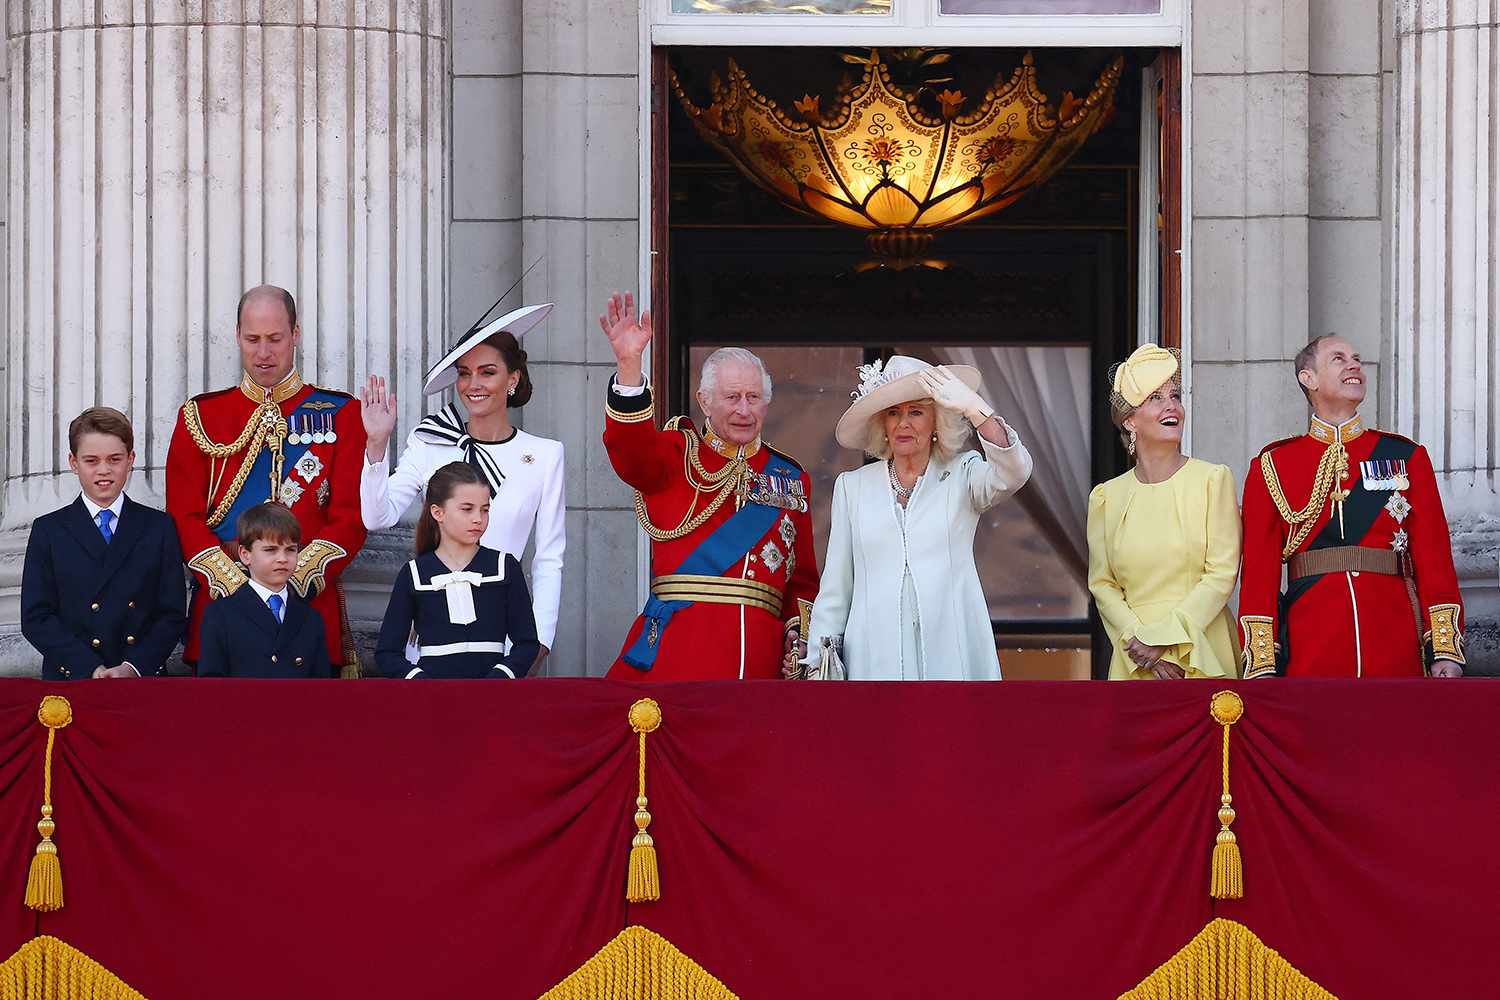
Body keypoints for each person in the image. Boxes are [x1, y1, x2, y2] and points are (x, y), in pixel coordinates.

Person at [598, 291, 819, 681]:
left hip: (760, 662)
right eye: (732, 397)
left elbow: (801, 579)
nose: (744, 410)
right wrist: (629, 365)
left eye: (754, 397)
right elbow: (630, 452)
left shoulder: (789, 478)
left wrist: (796, 638)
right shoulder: (675, 453)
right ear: (704, 400)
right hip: (677, 654)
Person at [165, 285, 367, 675]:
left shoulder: (342, 414)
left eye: (275, 339)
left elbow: (351, 515)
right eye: (252, 339)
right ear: (237, 335)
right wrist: (235, 583)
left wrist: (294, 575)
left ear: (295, 334)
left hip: (308, 609)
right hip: (222, 609)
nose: (263, 353)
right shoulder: (201, 416)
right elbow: (182, 515)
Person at [1239, 335, 1466, 678]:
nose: (1354, 365)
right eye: (1338, 359)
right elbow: (1259, 574)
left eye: (1356, 358)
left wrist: (1445, 651)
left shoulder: (1405, 456)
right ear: (1308, 378)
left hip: (1395, 640)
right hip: (1312, 646)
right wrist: (1262, 664)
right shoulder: (1273, 465)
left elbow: (1434, 558)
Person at [800, 356, 1033, 680]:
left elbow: (1014, 472)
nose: (903, 423)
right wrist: (818, 663)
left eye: (916, 412)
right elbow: (836, 589)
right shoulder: (852, 488)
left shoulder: (962, 475)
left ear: (938, 421)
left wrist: (974, 409)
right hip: (874, 659)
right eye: (893, 413)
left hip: (952, 655)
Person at [360, 303, 563, 670]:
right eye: (464, 374)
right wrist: (376, 445)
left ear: (512, 379)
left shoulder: (545, 455)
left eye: (488, 372)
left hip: (504, 641)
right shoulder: (429, 441)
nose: (474, 385)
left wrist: (538, 643)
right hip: (431, 641)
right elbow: (377, 516)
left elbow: (549, 558)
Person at [1086, 345, 1241, 680]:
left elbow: (1222, 574)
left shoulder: (1213, 479)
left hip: (1202, 646)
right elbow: (1103, 585)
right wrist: (1142, 647)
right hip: (1135, 658)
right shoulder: (1105, 498)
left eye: (1174, 395)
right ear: (1130, 421)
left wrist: (1164, 640)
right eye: (1156, 397)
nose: (1172, 405)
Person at [21, 407, 187, 680]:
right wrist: (90, 668)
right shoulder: (48, 530)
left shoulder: (159, 527)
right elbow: (36, 617)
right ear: (73, 463)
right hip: (73, 679)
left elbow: (171, 613)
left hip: (142, 680)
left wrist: (133, 668)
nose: (104, 470)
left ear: (130, 459)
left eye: (114, 459)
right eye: (91, 460)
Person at [375, 462, 540, 679]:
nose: (478, 519)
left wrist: (499, 678)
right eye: (467, 509)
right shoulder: (414, 573)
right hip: (434, 702)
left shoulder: (504, 567)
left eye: (485, 509)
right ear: (438, 512)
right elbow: (387, 653)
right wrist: (421, 681)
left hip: (494, 700)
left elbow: (527, 643)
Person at [197, 503, 331, 678]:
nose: (282, 559)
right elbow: (211, 685)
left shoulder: (311, 619)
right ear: (245, 555)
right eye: (271, 550)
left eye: (290, 550)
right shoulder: (221, 614)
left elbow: (320, 689)